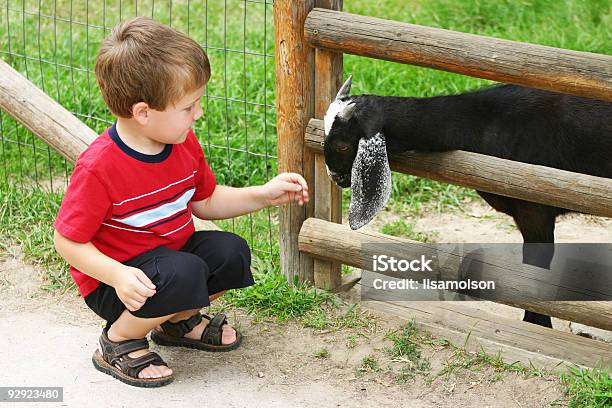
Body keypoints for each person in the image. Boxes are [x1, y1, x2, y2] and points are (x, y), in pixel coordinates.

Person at [53, 16, 308, 388]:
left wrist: (263, 195)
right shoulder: (100, 167)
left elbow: (205, 202)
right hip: (119, 284)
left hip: (171, 262)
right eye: (188, 107)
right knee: (182, 271)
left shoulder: (183, 144)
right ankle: (119, 340)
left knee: (230, 252)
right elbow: (67, 241)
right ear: (143, 113)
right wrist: (117, 275)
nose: (198, 113)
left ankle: (176, 321)